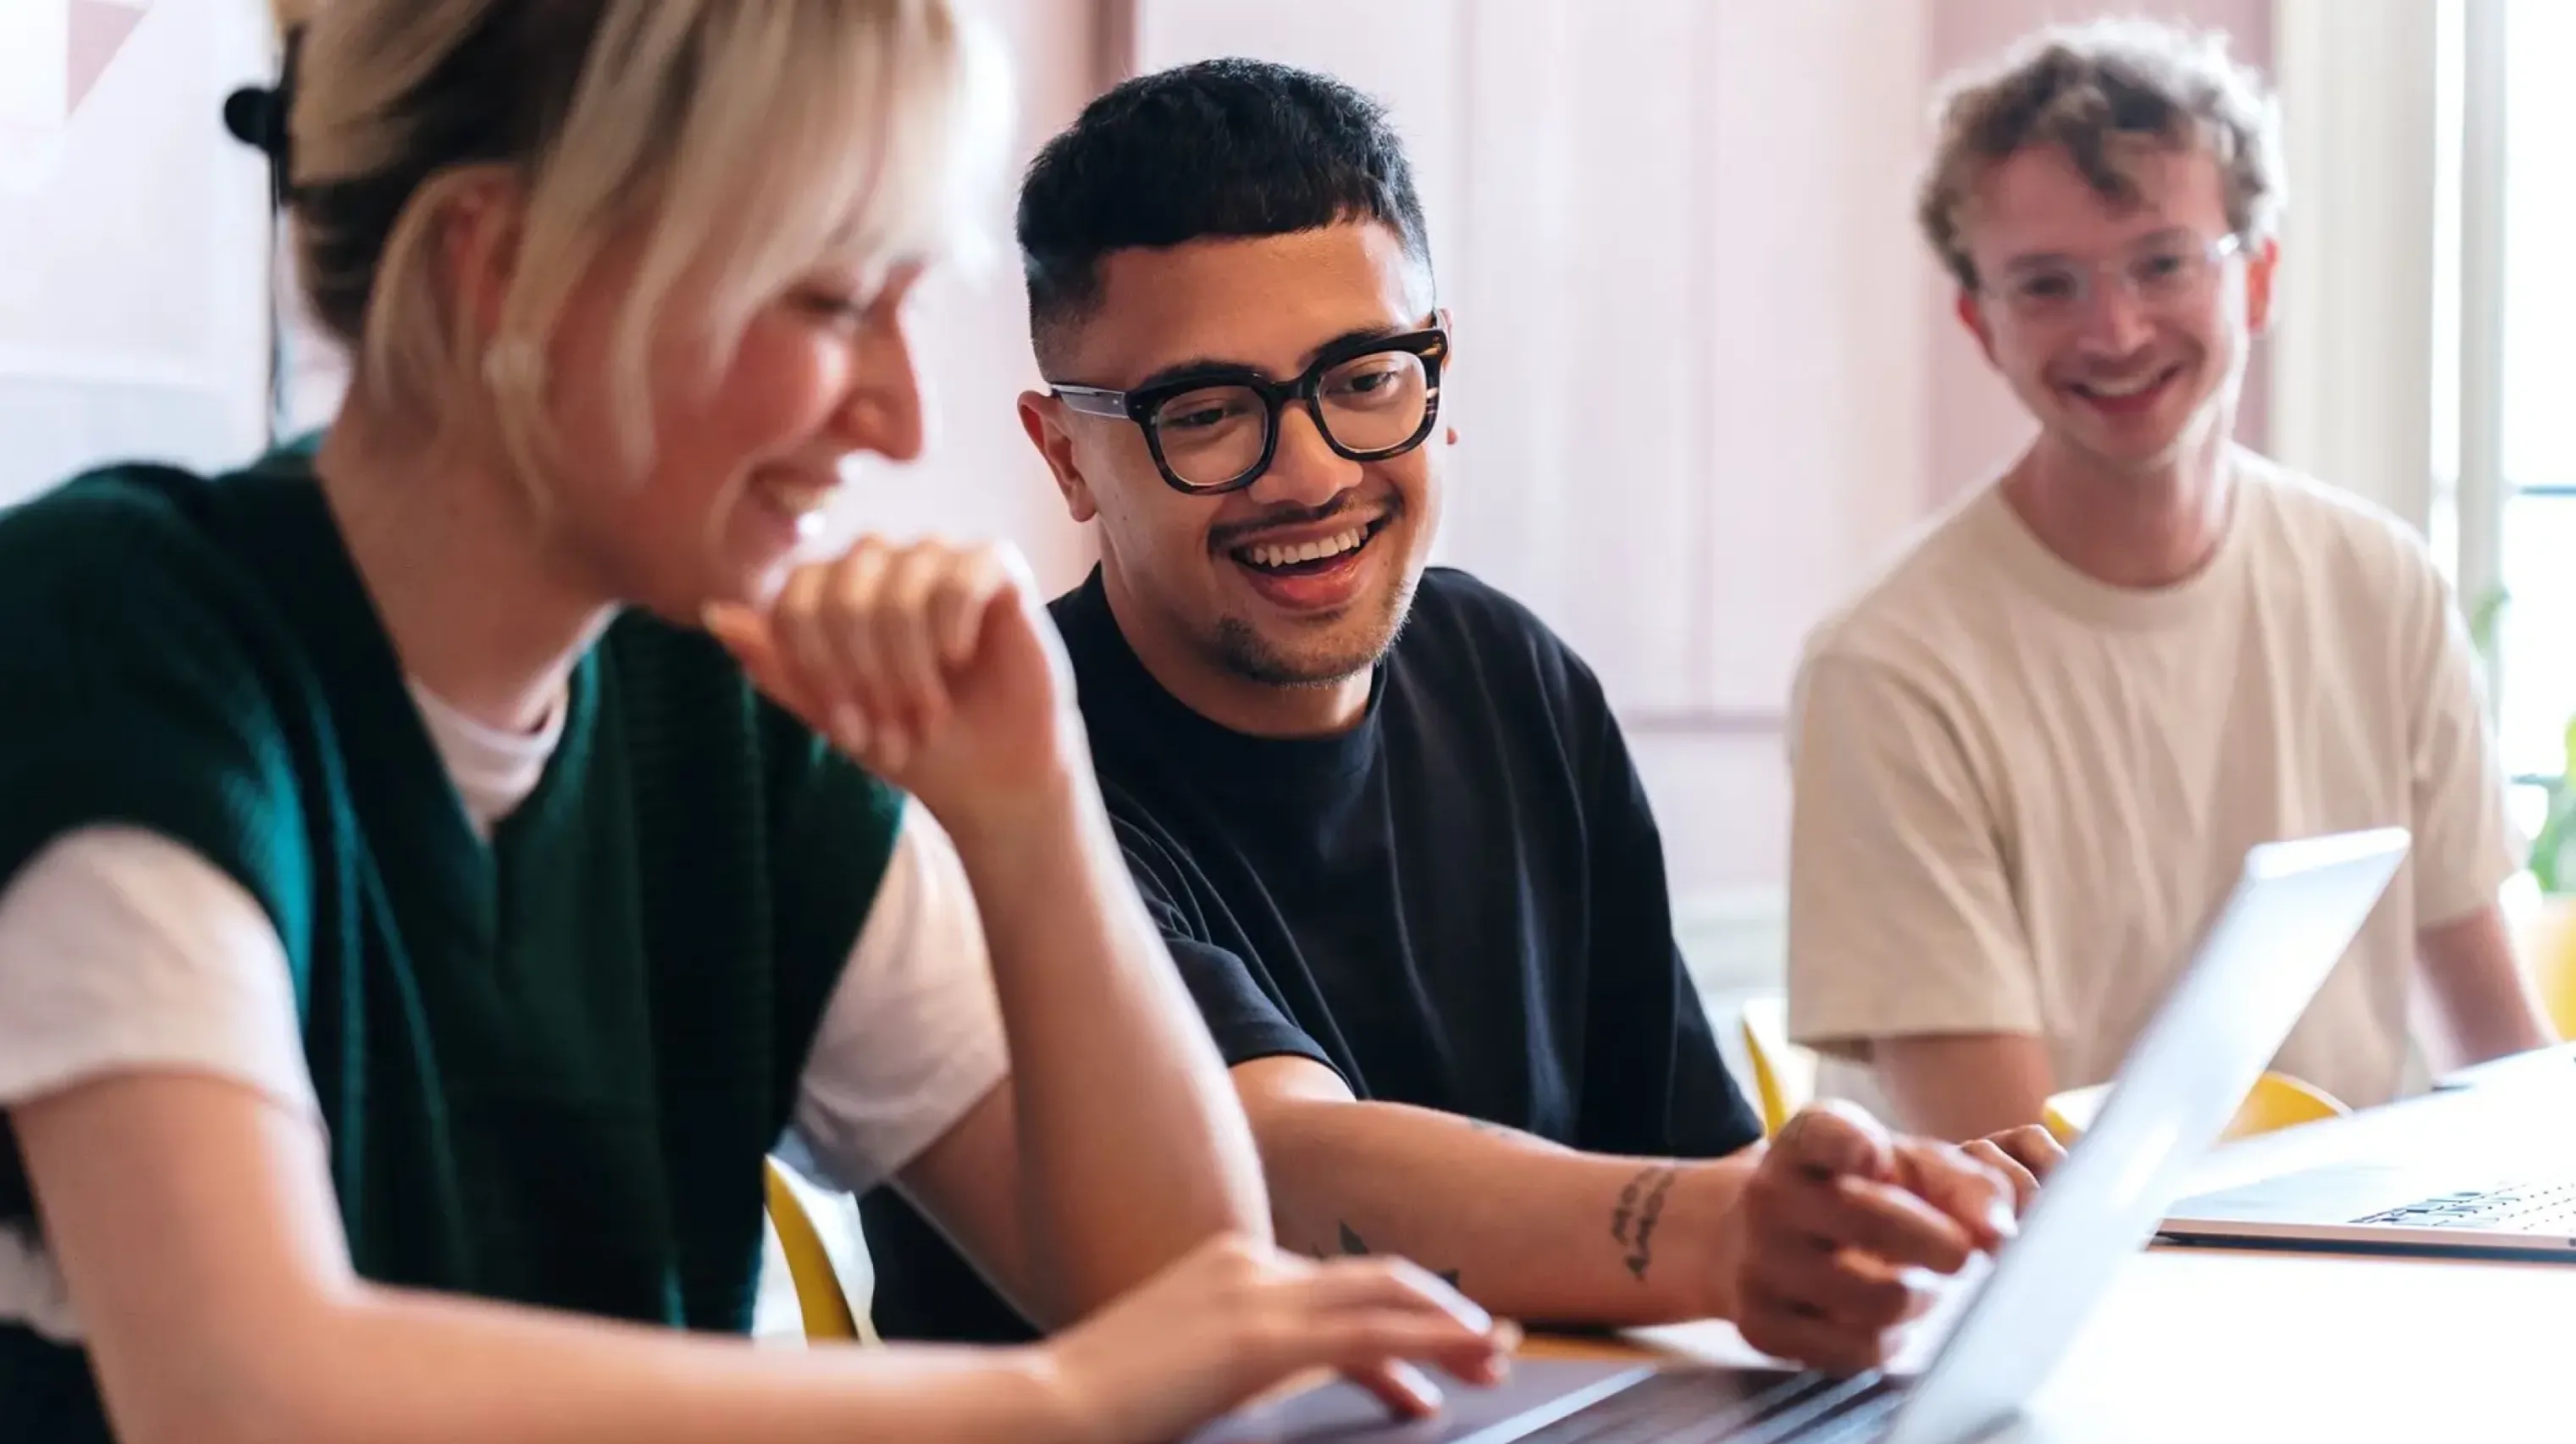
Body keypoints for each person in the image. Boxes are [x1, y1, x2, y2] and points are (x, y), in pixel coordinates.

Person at [0, 5, 1523, 1442]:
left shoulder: (720, 715)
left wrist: (1034, 805)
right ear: (503, 269)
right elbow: (243, 1389)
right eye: (829, 300)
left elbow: (1186, 1300)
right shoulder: (119, 632)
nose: (898, 420)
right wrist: (1047, 1404)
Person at [856, 56, 2062, 1378]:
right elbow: (1277, 1169)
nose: (1308, 470)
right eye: (1205, 414)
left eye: (1365, 376)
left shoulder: (1511, 675)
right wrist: (1716, 1232)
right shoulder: (1001, 757)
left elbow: (1683, 1151)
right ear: (1067, 453)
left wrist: (1883, 1211)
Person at [1783, 18, 2557, 1143]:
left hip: (2364, 1274)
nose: (2115, 327)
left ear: (2257, 278)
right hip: (2051, 1288)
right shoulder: (1889, 663)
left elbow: (2499, 1051)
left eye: (2161, 260)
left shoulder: (2379, 584)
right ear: (1979, 324)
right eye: (2044, 284)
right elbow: (2007, 1182)